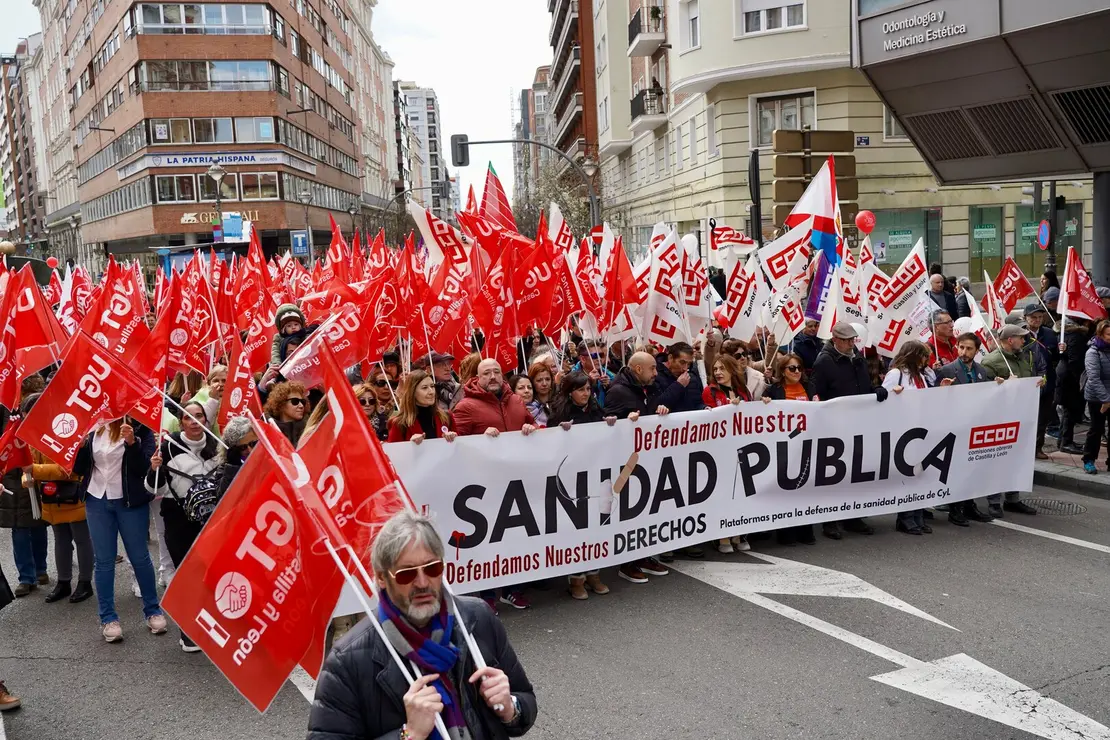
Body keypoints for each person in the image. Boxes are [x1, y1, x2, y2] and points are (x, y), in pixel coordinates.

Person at [306, 511, 537, 740]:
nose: (423, 582)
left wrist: (511, 708)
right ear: (381, 578)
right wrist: (408, 735)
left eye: (432, 568)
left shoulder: (477, 618)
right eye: (407, 574)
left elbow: (524, 699)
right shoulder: (347, 660)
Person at [74, 419, 166, 642]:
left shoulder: (141, 427)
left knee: (140, 557)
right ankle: (108, 618)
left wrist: (132, 442)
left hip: (130, 501)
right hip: (97, 499)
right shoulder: (93, 426)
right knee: (104, 561)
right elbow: (78, 468)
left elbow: (145, 468)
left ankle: (153, 610)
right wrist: (82, 445)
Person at [146, 402, 220, 652]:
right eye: (189, 417)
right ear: (181, 422)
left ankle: (211, 624)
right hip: (178, 520)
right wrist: (154, 468)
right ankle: (187, 631)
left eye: (199, 416)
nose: (195, 421)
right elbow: (154, 489)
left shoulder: (217, 447)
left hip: (211, 522)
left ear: (206, 421)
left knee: (210, 576)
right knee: (186, 576)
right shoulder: (166, 448)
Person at [810, 322, 889, 539]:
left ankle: (852, 515)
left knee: (855, 471)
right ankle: (829, 520)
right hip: (835, 425)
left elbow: (862, 384)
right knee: (834, 473)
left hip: (858, 423)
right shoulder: (824, 361)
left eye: (852, 339)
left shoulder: (857, 358)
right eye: (845, 340)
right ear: (835, 339)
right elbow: (818, 394)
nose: (850, 343)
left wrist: (875, 390)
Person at [602, 352, 673, 581]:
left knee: (647, 509)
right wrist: (625, 420)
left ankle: (644, 554)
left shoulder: (650, 387)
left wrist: (661, 411)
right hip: (626, 464)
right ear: (639, 369)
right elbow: (607, 427)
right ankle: (626, 562)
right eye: (652, 368)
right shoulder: (617, 392)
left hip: (648, 458)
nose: (656, 373)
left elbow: (653, 412)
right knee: (629, 512)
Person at [19, 393, 94, 604]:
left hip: (72, 495)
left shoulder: (64, 428)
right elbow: (30, 464)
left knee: (81, 539)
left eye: (29, 416)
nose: (26, 422)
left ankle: (85, 582)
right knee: (61, 540)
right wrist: (27, 477)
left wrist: (34, 470)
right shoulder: (33, 436)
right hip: (51, 497)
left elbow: (66, 469)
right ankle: (63, 582)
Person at [547, 372, 614, 600]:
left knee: (596, 525)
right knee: (576, 528)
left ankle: (594, 573)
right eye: (580, 389)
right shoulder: (559, 414)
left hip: (595, 475)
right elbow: (549, 445)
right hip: (572, 479)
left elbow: (607, 436)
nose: (585, 394)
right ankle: (575, 579)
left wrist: (610, 424)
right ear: (569, 392)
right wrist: (559, 431)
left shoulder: (595, 410)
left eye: (588, 389)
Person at [883, 341, 948, 535]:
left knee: (921, 475)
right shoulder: (896, 374)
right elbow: (882, 399)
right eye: (923, 356)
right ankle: (905, 518)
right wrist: (893, 395)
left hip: (922, 429)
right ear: (913, 355)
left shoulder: (922, 375)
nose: (925, 360)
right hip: (905, 431)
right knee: (909, 476)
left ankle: (917, 514)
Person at [937, 333, 1002, 525]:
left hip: (974, 426)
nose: (964, 352)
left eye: (969, 349)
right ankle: (955, 509)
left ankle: (969, 504)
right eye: (961, 348)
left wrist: (999, 386)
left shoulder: (981, 371)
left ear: (976, 350)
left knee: (972, 468)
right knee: (956, 469)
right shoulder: (947, 370)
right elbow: (933, 400)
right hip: (955, 427)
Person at [980, 325, 1041, 517]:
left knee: (1016, 458)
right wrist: (1005, 386)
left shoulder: (1022, 357)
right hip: (999, 419)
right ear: (1009, 340)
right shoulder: (991, 361)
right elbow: (983, 392)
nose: (1023, 341)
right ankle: (993, 501)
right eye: (1020, 338)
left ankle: (1012, 499)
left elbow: (1026, 381)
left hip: (1020, 416)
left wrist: (1036, 383)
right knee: (996, 459)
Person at [762, 353, 818, 545]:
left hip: (806, 443)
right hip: (785, 445)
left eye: (799, 368)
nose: (796, 372)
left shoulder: (810, 388)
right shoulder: (774, 390)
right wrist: (765, 404)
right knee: (786, 489)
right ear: (783, 372)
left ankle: (805, 530)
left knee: (805, 487)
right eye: (792, 369)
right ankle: (786, 532)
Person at [453, 360, 538, 438]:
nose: (493, 377)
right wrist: (482, 438)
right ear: (478, 377)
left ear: (502, 375)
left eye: (496, 372)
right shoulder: (465, 406)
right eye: (486, 373)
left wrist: (532, 428)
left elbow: (535, 425)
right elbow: (457, 442)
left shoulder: (517, 400)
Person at [1024, 303, 1059, 459]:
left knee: (1043, 418)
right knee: (1027, 417)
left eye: (1040, 317)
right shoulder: (1021, 334)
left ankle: (1038, 447)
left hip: (1047, 381)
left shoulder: (1050, 334)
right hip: (1027, 382)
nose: (1037, 320)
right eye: (1033, 317)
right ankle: (1025, 447)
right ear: (1025, 318)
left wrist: (1061, 351)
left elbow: (1056, 357)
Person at [388, 371, 459, 444]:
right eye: (424, 388)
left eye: (432, 386)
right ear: (412, 392)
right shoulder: (399, 423)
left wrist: (453, 438)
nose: (431, 392)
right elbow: (393, 453)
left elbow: (458, 448)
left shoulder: (446, 416)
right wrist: (410, 445)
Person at [1055, 318, 1090, 455]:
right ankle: (1066, 442)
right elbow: (1075, 361)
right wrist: (1080, 381)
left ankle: (1063, 440)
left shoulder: (1065, 335)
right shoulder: (1076, 336)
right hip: (1070, 379)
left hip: (1066, 376)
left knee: (1067, 412)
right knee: (1070, 411)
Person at [1082, 319, 1110, 475]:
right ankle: (1089, 460)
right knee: (1096, 429)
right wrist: (1105, 399)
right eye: (1108, 334)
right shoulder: (1093, 352)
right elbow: (1093, 378)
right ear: (1100, 334)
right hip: (1097, 398)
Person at [653, 341, 707, 414]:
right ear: (670, 358)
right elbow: (655, 405)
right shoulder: (655, 376)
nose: (685, 368)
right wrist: (678, 385)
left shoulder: (691, 377)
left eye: (688, 364)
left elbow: (697, 403)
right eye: (682, 362)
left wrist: (703, 408)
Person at [264, 381, 309, 446]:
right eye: (295, 401)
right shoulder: (267, 433)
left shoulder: (310, 430)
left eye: (303, 402)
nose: (301, 405)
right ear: (281, 404)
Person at [572, 340, 615, 408]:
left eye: (601, 355)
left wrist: (610, 386)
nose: (599, 359)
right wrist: (589, 383)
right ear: (583, 359)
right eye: (594, 356)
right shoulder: (571, 379)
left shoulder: (609, 375)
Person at [269, 303, 308, 367]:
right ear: (283, 329)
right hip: (287, 367)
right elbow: (275, 353)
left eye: (296, 324)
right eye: (289, 326)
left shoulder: (305, 334)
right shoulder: (278, 337)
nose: (293, 327)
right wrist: (277, 364)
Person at [190, 365, 227, 431]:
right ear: (209, 383)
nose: (220, 384)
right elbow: (201, 427)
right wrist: (213, 399)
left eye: (224, 381)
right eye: (216, 381)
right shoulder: (199, 399)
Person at [526, 362, 554, 427]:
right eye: (539, 380)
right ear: (532, 382)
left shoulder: (559, 401)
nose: (544, 384)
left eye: (547, 379)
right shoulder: (527, 407)